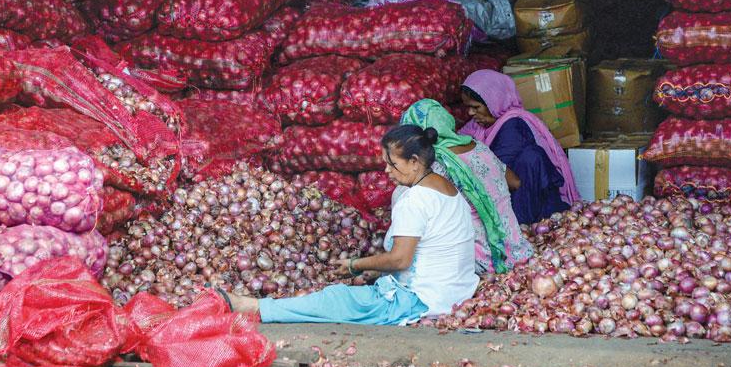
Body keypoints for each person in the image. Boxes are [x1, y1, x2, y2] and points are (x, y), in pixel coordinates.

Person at [224, 125, 478, 324]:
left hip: (422, 301)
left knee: (336, 298)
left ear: (414, 161)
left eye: (393, 164)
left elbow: (400, 260)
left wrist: (355, 266)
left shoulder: (414, 199)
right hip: (456, 293)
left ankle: (255, 307)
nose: (387, 171)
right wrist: (375, 270)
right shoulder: (446, 189)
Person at [400, 99, 533, 275]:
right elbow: (515, 182)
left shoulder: (433, 167)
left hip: (479, 263)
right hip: (517, 251)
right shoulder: (479, 148)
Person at [458, 69, 580, 225]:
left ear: (494, 101)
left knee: (530, 157)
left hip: (532, 207)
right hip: (518, 199)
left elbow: (494, 175)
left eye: (476, 107)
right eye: (468, 107)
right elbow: (459, 140)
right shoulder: (482, 126)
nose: (470, 113)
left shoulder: (513, 126)